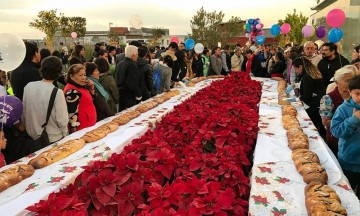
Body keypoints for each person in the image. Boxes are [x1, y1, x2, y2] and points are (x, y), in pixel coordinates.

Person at [22, 56, 68, 143]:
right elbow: (62, 120)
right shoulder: (57, 92)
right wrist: (66, 134)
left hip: (32, 136)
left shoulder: (29, 86)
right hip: (52, 138)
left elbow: (24, 111)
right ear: (59, 72)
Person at [330, 75, 360, 199]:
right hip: (349, 161)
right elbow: (335, 131)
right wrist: (353, 120)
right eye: (357, 93)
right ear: (350, 92)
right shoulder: (343, 109)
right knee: (347, 194)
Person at [320, 65, 359, 157]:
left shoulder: (356, 97)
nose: (351, 83)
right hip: (337, 141)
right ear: (337, 82)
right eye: (347, 81)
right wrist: (352, 120)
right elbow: (325, 122)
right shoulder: (328, 98)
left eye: (353, 79)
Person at [293, 56, 326, 137]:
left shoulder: (307, 76)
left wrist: (298, 99)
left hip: (313, 105)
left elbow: (307, 94)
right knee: (320, 127)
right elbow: (312, 88)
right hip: (319, 102)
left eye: (295, 68)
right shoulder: (312, 72)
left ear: (300, 66)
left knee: (314, 128)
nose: (295, 71)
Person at [64, 64, 97, 133]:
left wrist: (92, 88)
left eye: (84, 75)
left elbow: (89, 101)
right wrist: (74, 133)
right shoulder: (72, 91)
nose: (83, 78)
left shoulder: (80, 86)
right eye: (80, 75)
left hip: (88, 125)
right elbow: (72, 114)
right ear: (71, 76)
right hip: (82, 128)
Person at [115, 45, 142, 111]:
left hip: (120, 94)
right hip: (129, 96)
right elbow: (132, 83)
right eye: (137, 54)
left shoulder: (119, 64)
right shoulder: (132, 65)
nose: (137, 56)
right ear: (133, 55)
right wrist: (139, 94)